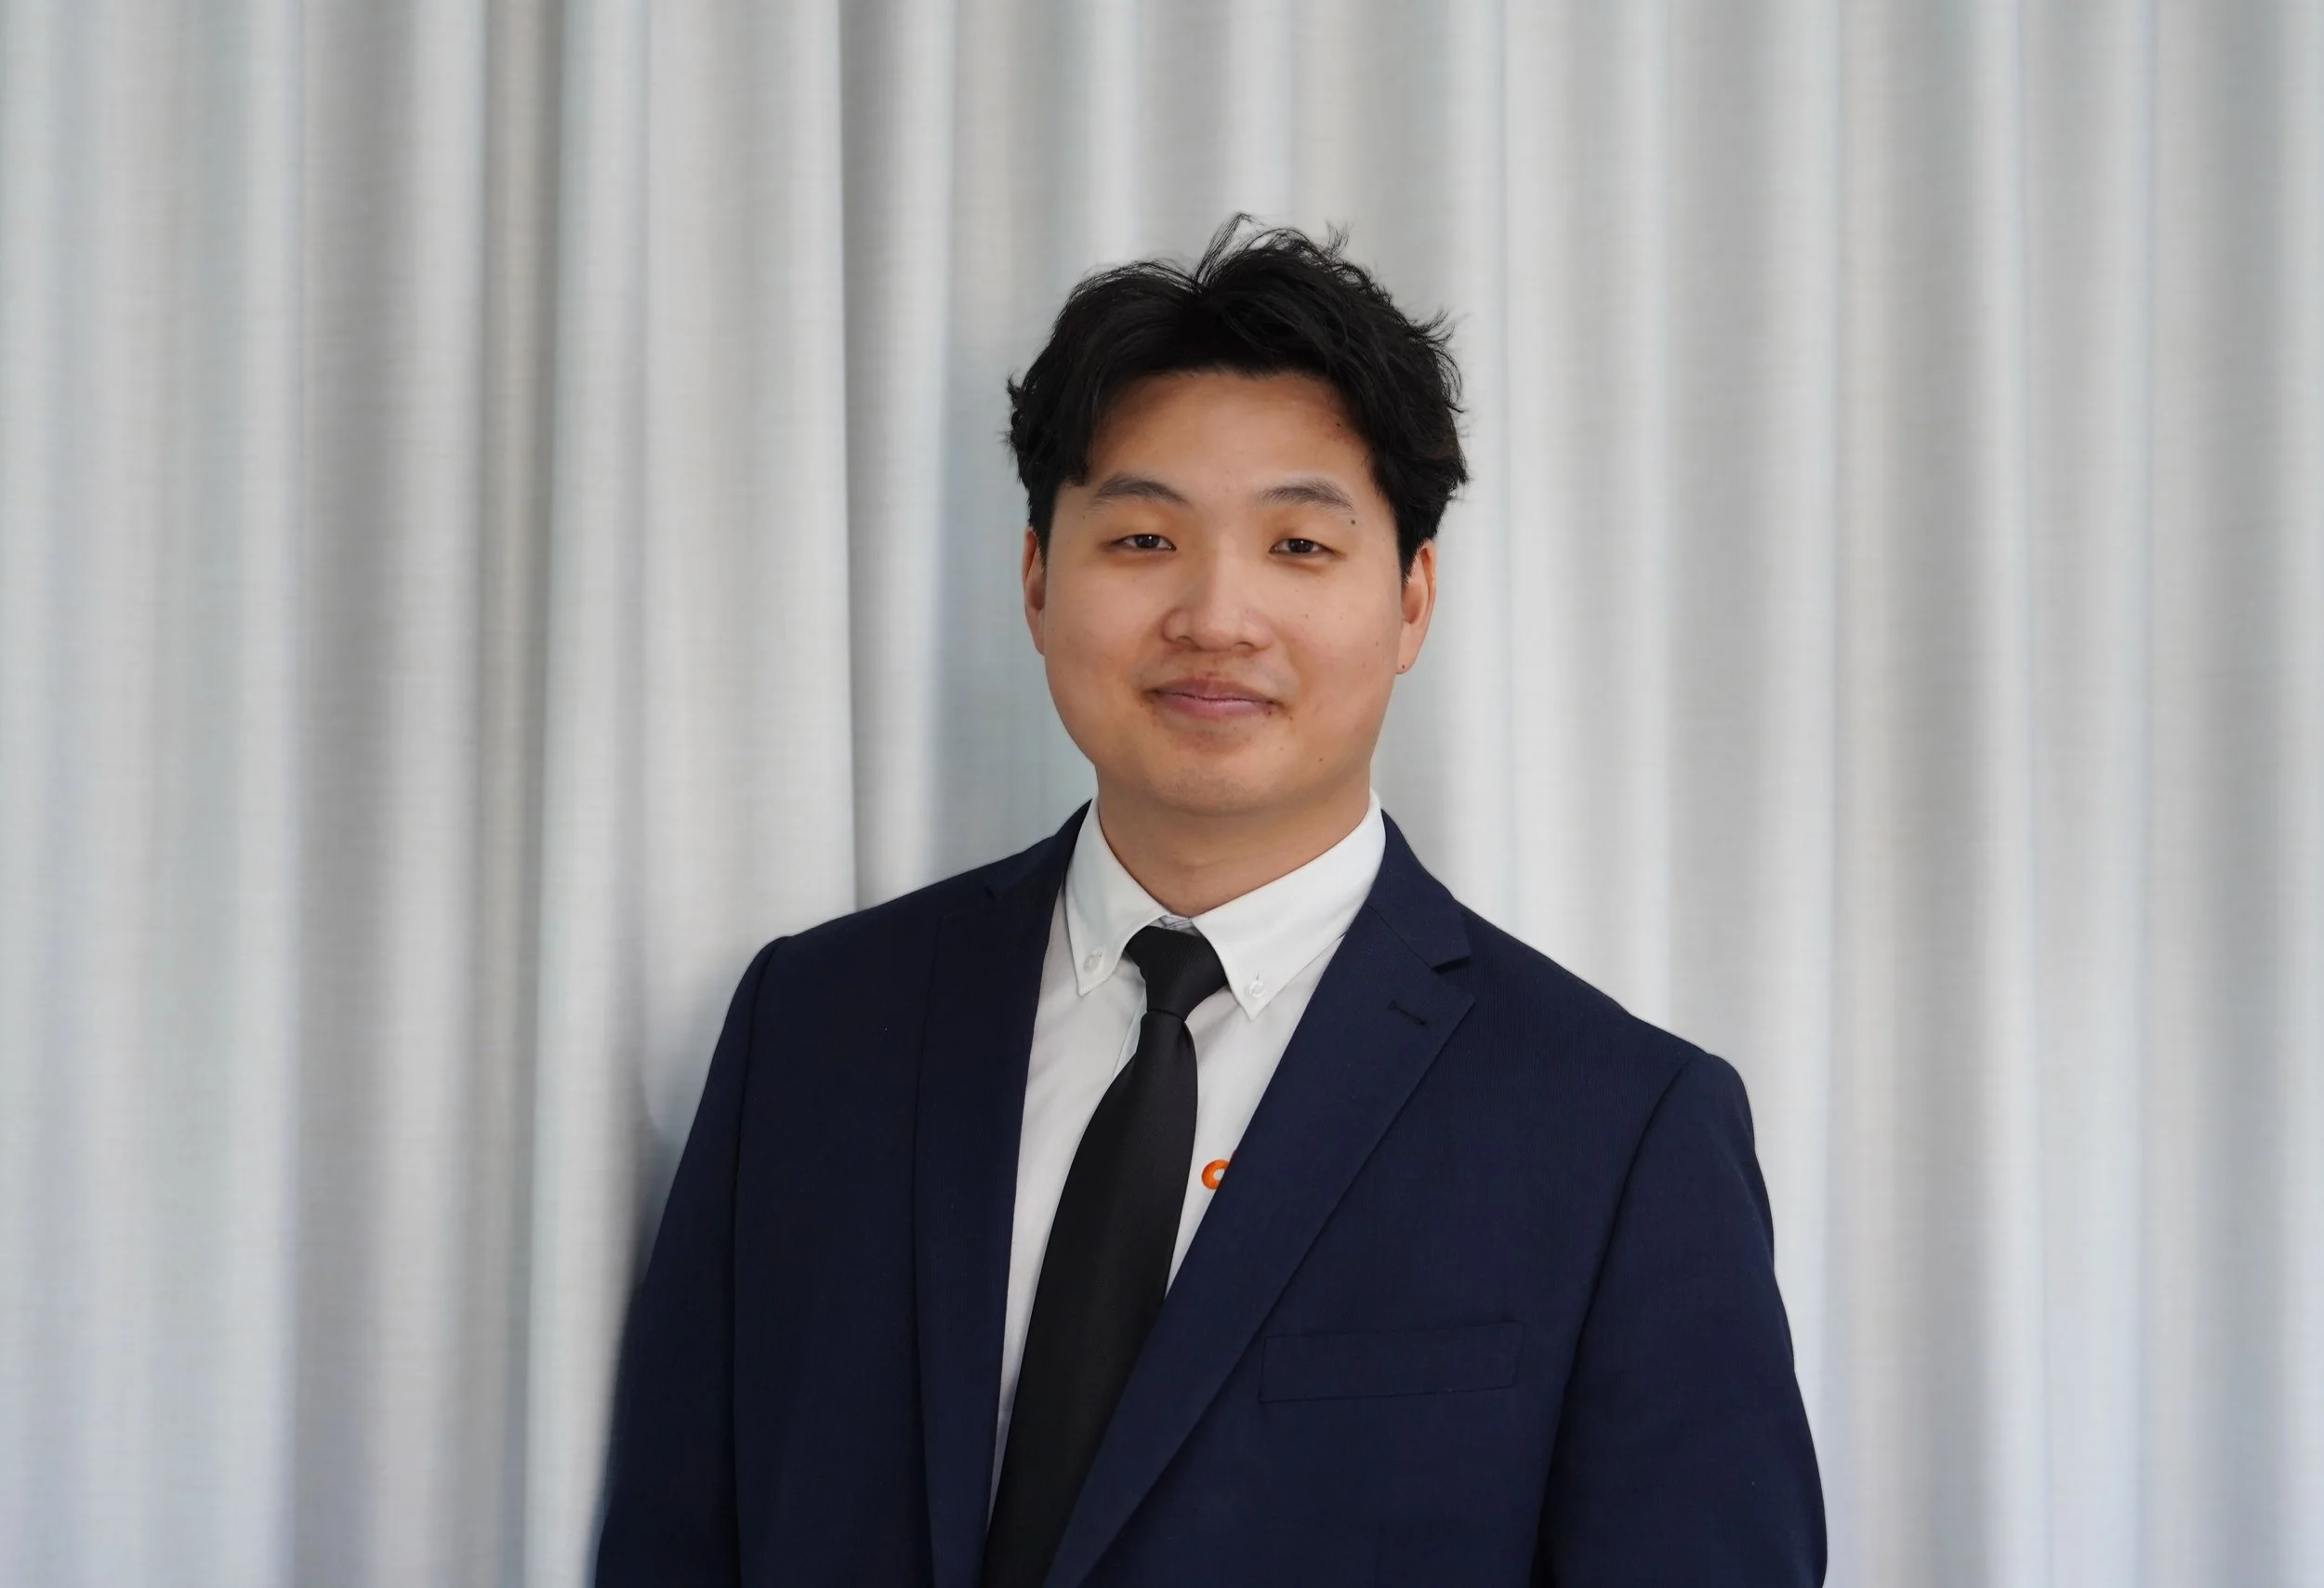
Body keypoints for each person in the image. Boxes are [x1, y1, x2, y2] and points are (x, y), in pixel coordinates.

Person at [593, 217, 1825, 1587]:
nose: (1217, 615)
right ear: (1036, 582)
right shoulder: (814, 1028)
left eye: (1300, 546)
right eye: (1142, 538)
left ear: (1412, 600)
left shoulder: (1617, 1127)